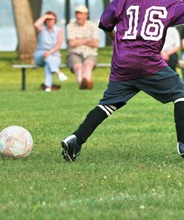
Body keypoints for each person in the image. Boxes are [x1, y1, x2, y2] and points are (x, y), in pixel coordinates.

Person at [61, 0, 184, 162]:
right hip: (148, 61)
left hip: (122, 62)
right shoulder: (170, 3)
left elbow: (105, 24)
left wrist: (119, 42)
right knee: (181, 94)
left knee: (107, 105)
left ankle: (75, 139)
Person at [66, 5, 99, 90]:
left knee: (88, 65)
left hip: (90, 53)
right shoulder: (70, 26)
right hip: (74, 53)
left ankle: (86, 85)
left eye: (80, 14)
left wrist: (79, 40)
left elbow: (95, 43)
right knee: (78, 67)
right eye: (77, 14)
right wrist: (88, 39)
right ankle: (82, 86)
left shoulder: (93, 26)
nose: (78, 16)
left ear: (86, 15)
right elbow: (72, 43)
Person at [33, 11, 67, 92]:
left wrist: (50, 52)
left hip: (54, 56)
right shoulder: (42, 30)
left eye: (51, 19)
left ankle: (48, 87)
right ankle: (58, 73)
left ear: (55, 20)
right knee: (46, 55)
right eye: (47, 19)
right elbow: (36, 24)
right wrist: (45, 16)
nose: (49, 21)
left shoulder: (59, 30)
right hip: (40, 55)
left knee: (48, 65)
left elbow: (58, 45)